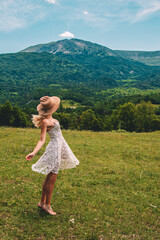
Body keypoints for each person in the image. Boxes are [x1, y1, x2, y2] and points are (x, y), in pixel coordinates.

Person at [26, 96, 79, 215]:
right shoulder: (45, 122)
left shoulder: (53, 120)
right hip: (54, 149)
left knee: (49, 176)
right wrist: (33, 153)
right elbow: (41, 140)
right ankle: (47, 205)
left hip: (60, 146)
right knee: (52, 178)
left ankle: (42, 202)